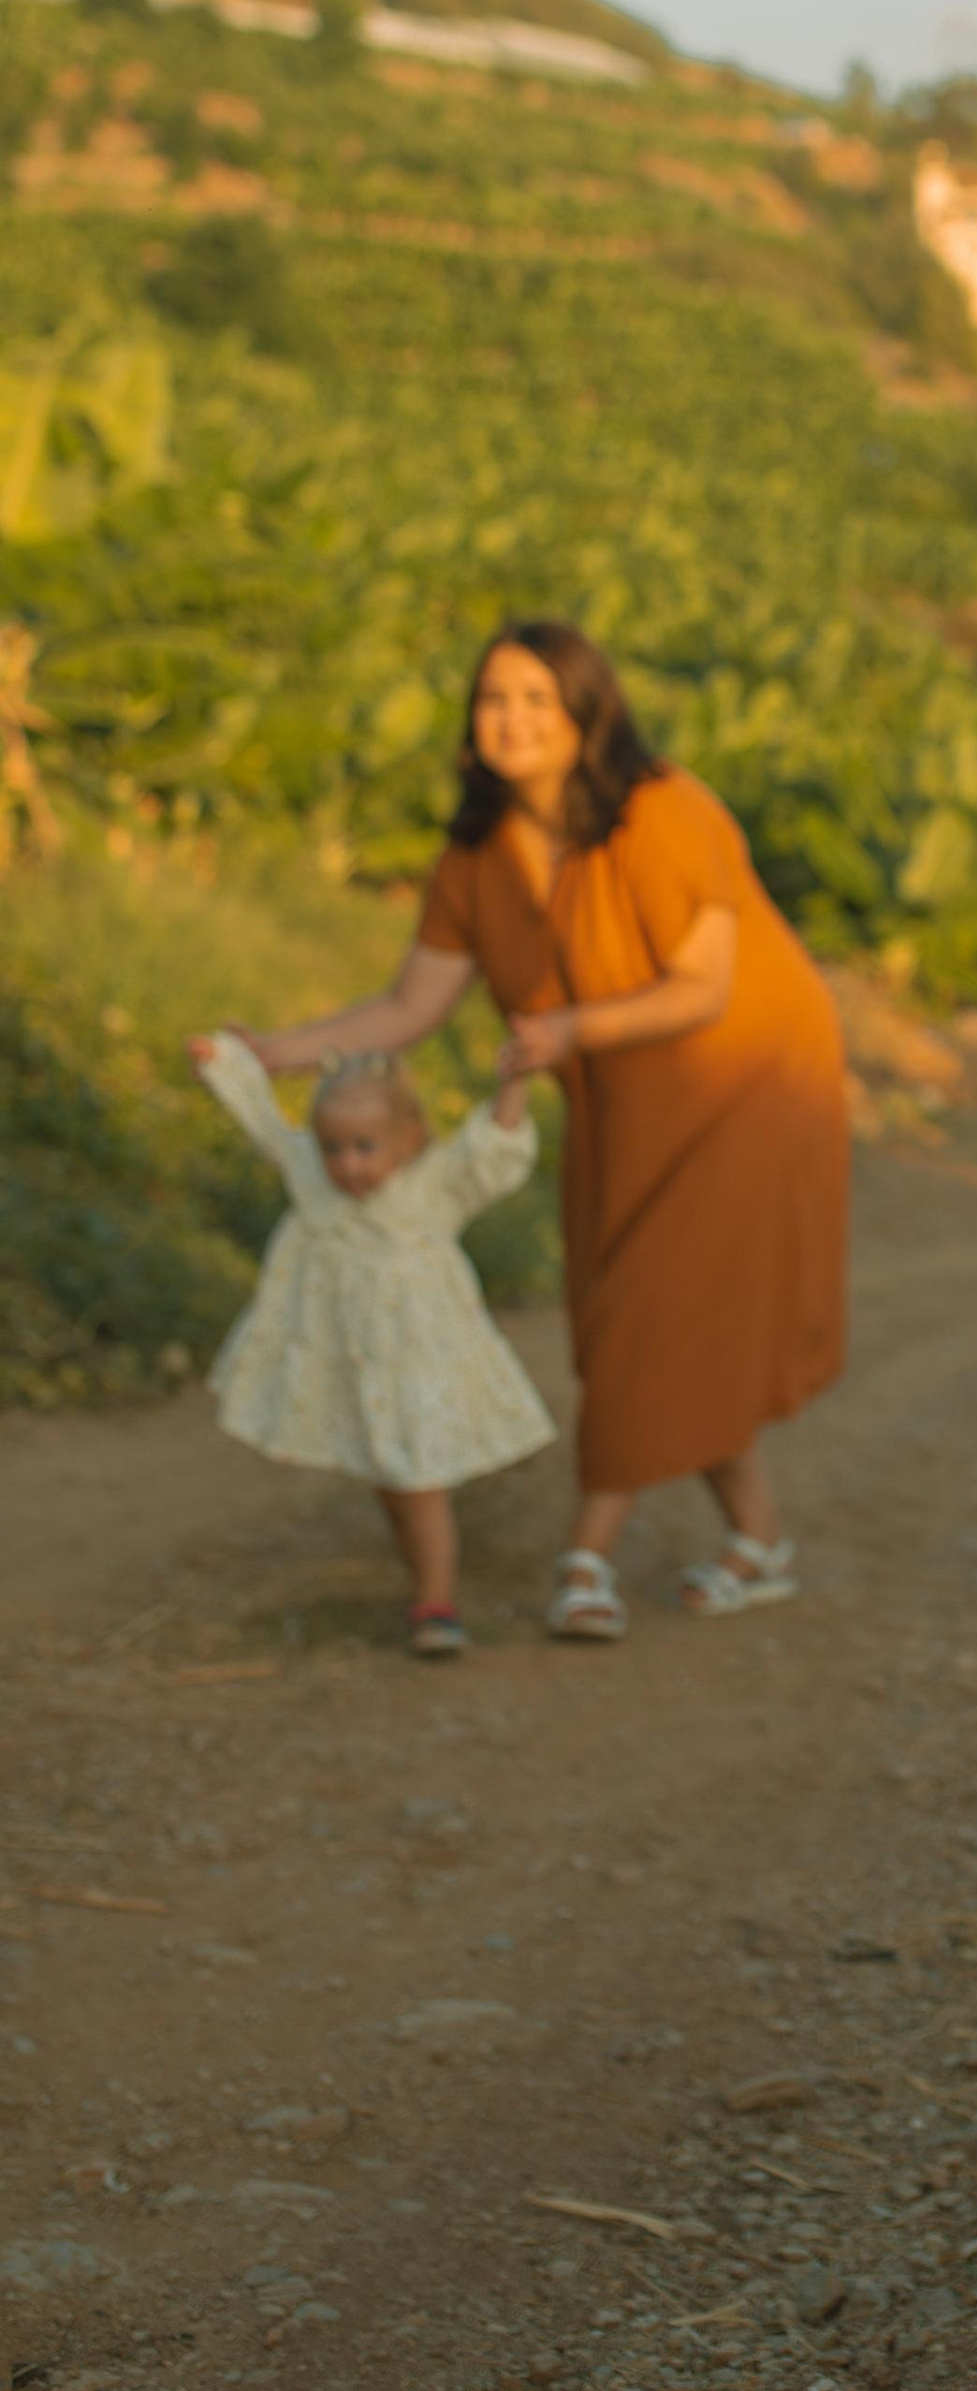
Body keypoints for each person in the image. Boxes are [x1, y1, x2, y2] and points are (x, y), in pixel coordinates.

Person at [233, 619, 850, 1641]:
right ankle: (759, 1540)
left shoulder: (661, 811)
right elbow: (406, 1009)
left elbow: (703, 988)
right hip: (621, 1095)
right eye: (492, 699)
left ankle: (586, 1560)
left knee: (655, 1311)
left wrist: (570, 1026)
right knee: (639, 1320)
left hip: (746, 1079)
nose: (511, 720)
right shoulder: (473, 857)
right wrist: (272, 1052)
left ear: (583, 712)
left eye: (535, 699)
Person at [189, 1031, 554, 1657]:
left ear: (409, 1140)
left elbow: (489, 1151)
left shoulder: (432, 1185)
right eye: (332, 1148)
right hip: (353, 1360)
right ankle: (422, 1582)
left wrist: (515, 1080)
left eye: (365, 1147)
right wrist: (225, 1064)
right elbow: (265, 1125)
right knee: (390, 1476)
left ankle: (437, 1603)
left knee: (418, 1477)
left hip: (416, 1360)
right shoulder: (313, 1176)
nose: (347, 1165)